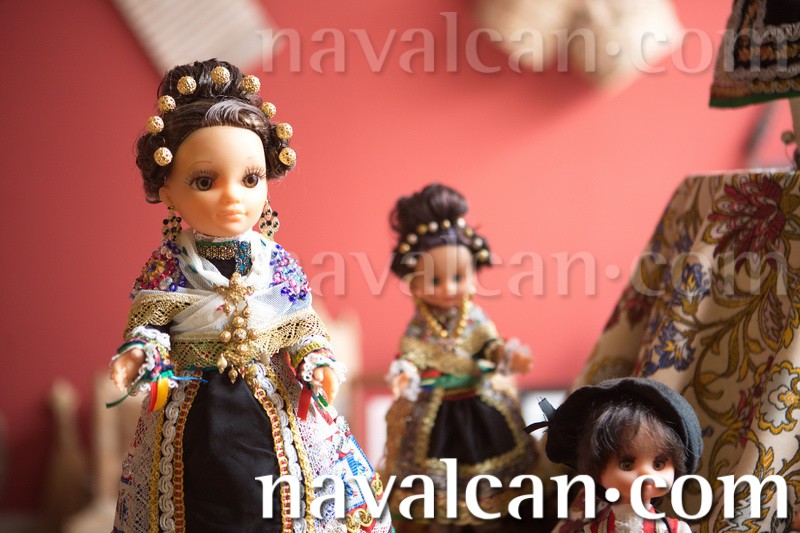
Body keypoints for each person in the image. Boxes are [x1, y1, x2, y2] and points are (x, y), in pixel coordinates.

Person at [109, 59, 391, 533]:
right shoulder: (170, 266)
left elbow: (300, 325)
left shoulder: (275, 262)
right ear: (168, 191)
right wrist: (141, 353)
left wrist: (316, 361)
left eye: (250, 179)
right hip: (195, 417)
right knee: (196, 508)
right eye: (205, 181)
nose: (232, 197)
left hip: (275, 409)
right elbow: (151, 326)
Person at [382, 183, 538, 532]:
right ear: (414, 281)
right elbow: (410, 355)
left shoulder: (475, 317)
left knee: (494, 470)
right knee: (432, 480)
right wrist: (406, 373)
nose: (449, 288)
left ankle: (493, 519)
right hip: (436, 410)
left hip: (478, 402)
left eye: (458, 277)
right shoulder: (420, 325)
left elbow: (490, 345)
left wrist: (508, 356)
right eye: (434, 279)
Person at [538, 377, 701, 533]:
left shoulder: (676, 529)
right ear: (596, 468)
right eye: (626, 464)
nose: (646, 473)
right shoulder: (593, 530)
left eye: (658, 464)